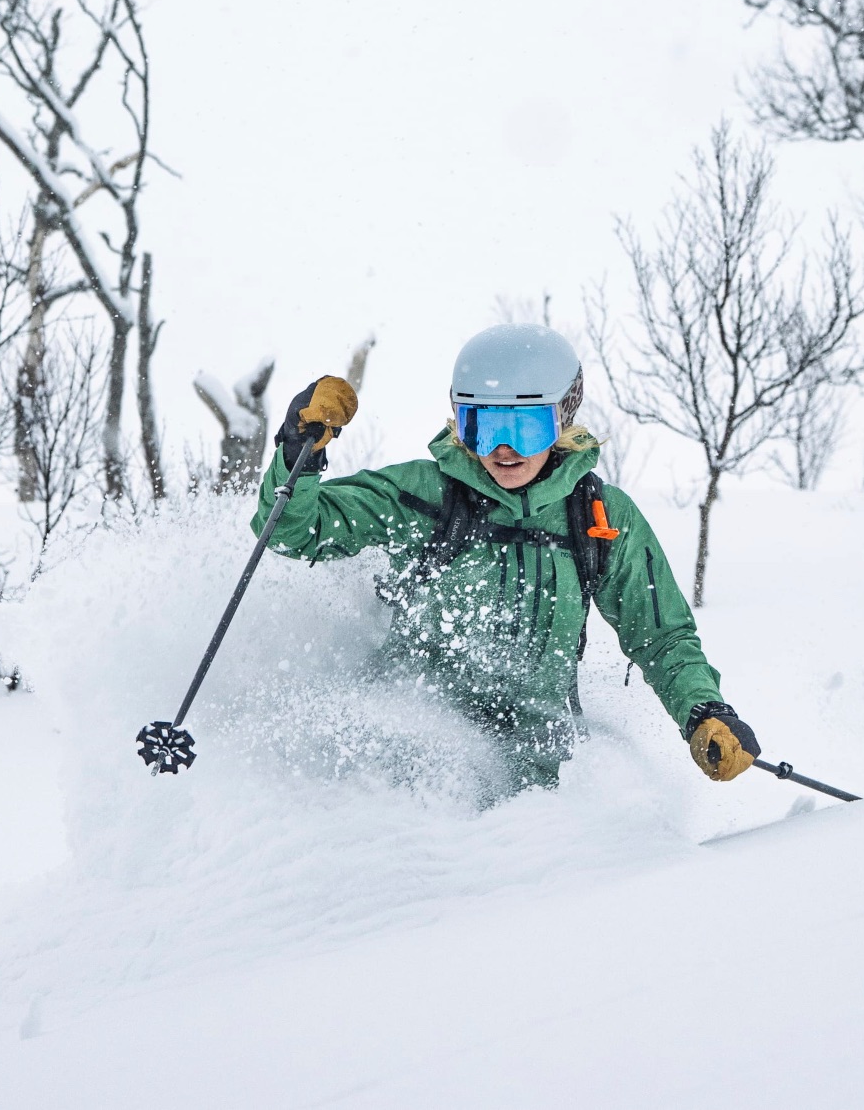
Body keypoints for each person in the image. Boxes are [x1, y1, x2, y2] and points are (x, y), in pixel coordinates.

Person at [252, 323, 760, 795]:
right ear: (459, 421)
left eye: (526, 429)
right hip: (408, 772)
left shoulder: (599, 517)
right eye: (482, 426)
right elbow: (295, 532)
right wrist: (301, 453)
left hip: (538, 785)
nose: (502, 450)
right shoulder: (427, 495)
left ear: (562, 418)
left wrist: (703, 710)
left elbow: (662, 634)